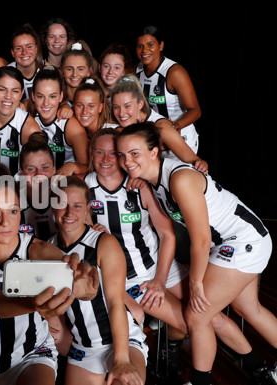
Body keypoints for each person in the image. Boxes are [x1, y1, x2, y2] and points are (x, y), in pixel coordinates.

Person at [116, 122, 277, 385]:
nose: (127, 161)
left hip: (242, 241)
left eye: (135, 153)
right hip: (231, 242)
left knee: (196, 314)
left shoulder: (178, 179)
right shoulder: (153, 179)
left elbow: (200, 240)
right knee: (249, 309)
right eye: (122, 155)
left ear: (154, 152)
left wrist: (196, 282)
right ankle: (259, 370)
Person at [0, 166, 100, 385]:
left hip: (34, 353)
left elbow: (84, 289)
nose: (6, 222)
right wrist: (35, 304)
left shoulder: (37, 250)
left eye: (12, 211)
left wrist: (87, 283)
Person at [84, 128, 190, 369]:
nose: (106, 159)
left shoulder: (138, 185)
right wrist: (89, 230)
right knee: (188, 324)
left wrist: (161, 279)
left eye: (113, 153)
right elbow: (76, 231)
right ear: (91, 154)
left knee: (204, 314)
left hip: (158, 264)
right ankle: (167, 345)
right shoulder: (85, 187)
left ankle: (168, 341)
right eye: (99, 152)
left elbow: (166, 233)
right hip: (131, 280)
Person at [49, 175, 147, 385]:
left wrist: (121, 360)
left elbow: (115, 303)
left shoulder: (104, 242)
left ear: (87, 210)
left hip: (122, 341)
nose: (69, 213)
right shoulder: (47, 250)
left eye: (77, 206)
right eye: (63, 205)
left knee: (125, 381)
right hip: (83, 347)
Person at [111, 75, 205, 172]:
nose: (121, 113)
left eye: (127, 106)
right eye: (116, 107)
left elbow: (196, 162)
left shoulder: (162, 128)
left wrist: (201, 165)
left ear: (140, 104)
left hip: (182, 158)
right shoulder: (125, 123)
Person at [135, 26, 201, 153]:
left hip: (181, 138)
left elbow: (196, 110)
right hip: (155, 142)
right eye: (140, 46)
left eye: (150, 45)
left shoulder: (174, 72)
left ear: (161, 46)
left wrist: (176, 126)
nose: (145, 50)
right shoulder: (137, 70)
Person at [30, 66, 89, 175]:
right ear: (33, 96)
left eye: (52, 96)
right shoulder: (28, 116)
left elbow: (89, 167)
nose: (46, 103)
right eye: (40, 97)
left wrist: (73, 166)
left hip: (64, 183)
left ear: (61, 96)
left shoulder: (71, 127)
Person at [17, 132, 59, 241]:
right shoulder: (11, 202)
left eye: (45, 167)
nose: (39, 174)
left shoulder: (67, 198)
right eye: (31, 169)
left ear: (54, 168)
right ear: (21, 171)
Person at [8, 23, 44, 102]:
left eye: (29, 47)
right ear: (12, 53)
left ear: (36, 48)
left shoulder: (46, 70)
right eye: (18, 48)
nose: (24, 52)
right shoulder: (7, 75)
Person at [60, 42, 95, 109]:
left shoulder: (97, 97)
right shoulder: (55, 99)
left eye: (80, 69)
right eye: (69, 69)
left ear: (89, 71)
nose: (75, 74)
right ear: (62, 71)